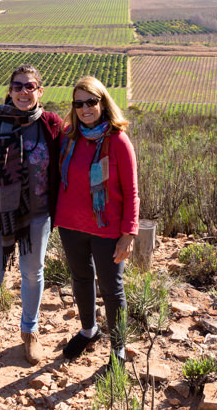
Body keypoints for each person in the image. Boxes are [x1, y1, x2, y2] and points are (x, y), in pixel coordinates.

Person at [0, 65, 64, 367]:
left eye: (30, 86)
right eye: (18, 86)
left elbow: (64, 169)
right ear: (9, 90)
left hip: (38, 216)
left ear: (40, 91)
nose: (23, 92)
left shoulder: (51, 124)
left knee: (33, 274)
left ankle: (29, 332)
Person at [56, 75, 139, 364]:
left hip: (107, 228)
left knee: (112, 288)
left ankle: (118, 347)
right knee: (80, 278)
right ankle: (89, 329)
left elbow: (131, 192)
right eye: (79, 103)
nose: (85, 108)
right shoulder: (69, 138)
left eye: (91, 101)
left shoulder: (118, 140)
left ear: (103, 102)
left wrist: (129, 233)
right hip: (71, 224)